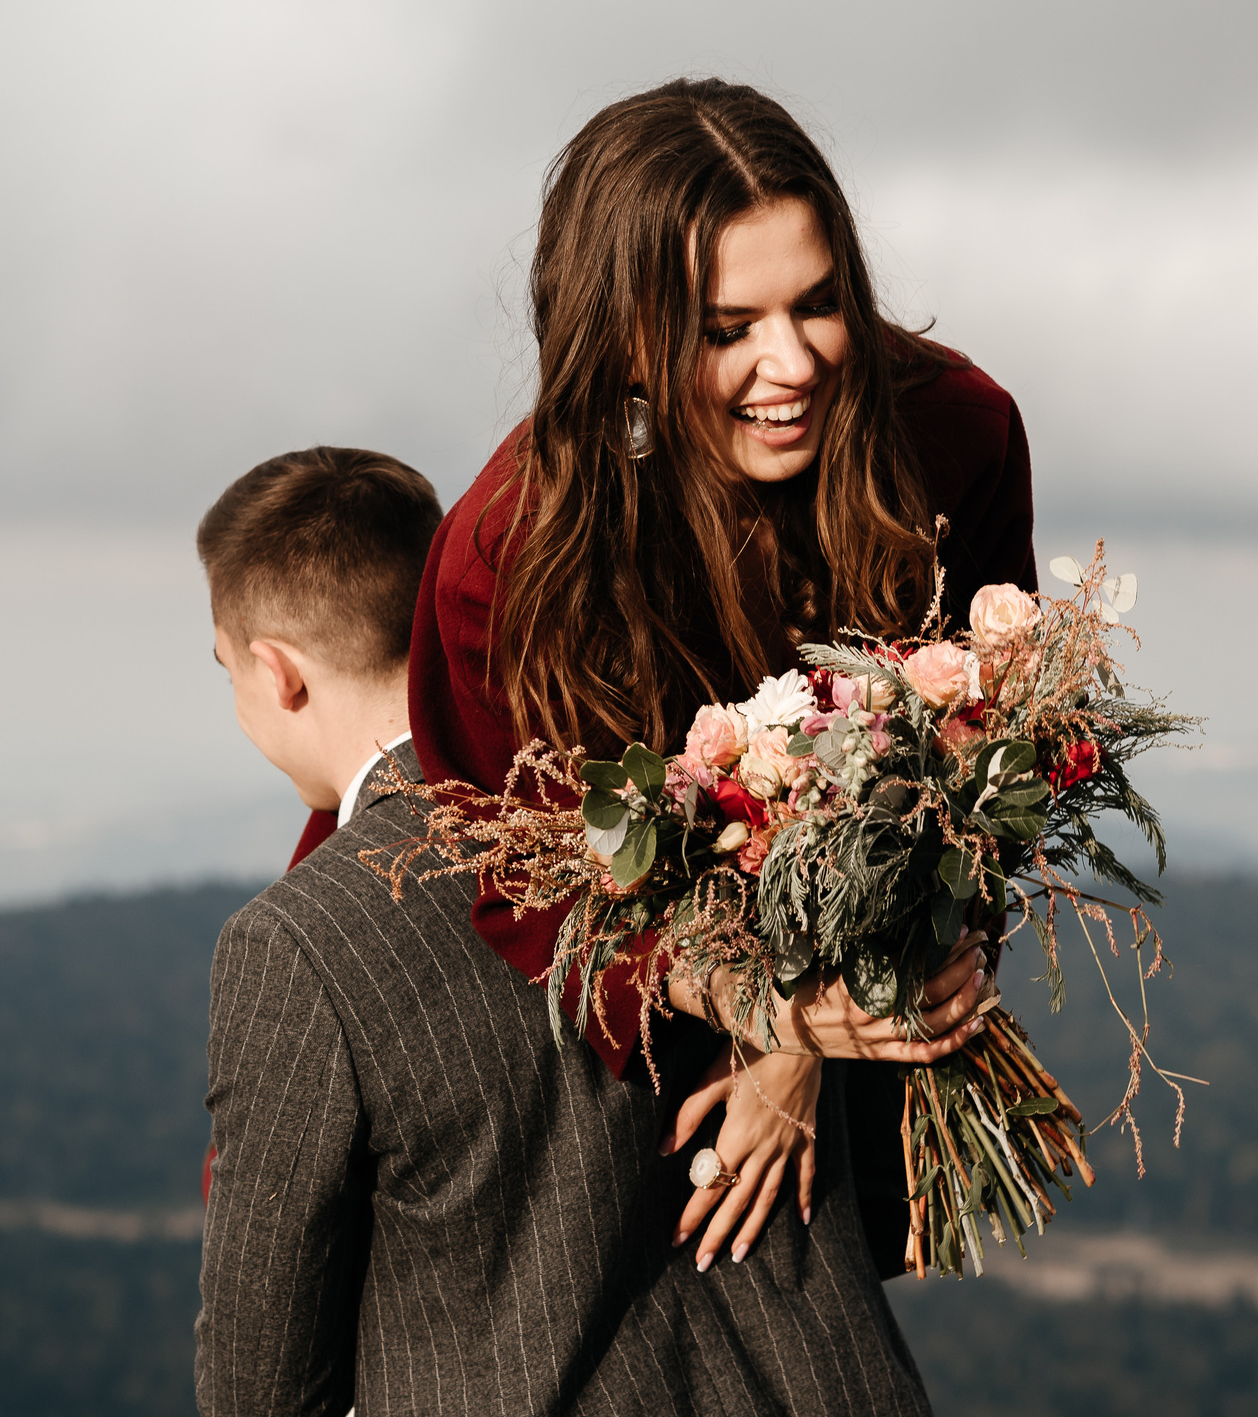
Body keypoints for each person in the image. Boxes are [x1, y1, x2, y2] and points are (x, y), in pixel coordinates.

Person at [410, 81, 1038, 1355]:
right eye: (726, 328)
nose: (792, 363)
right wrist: (770, 1014)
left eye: (818, 302)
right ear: (624, 340)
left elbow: (991, 753)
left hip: (865, 1032)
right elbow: (528, 883)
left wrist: (826, 1019)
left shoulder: (952, 433)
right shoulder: (507, 554)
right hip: (611, 1044)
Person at [196, 444, 980, 1415]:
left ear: (276, 671)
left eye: (225, 670)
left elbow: (260, 1382)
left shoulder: (302, 940)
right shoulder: (703, 780)